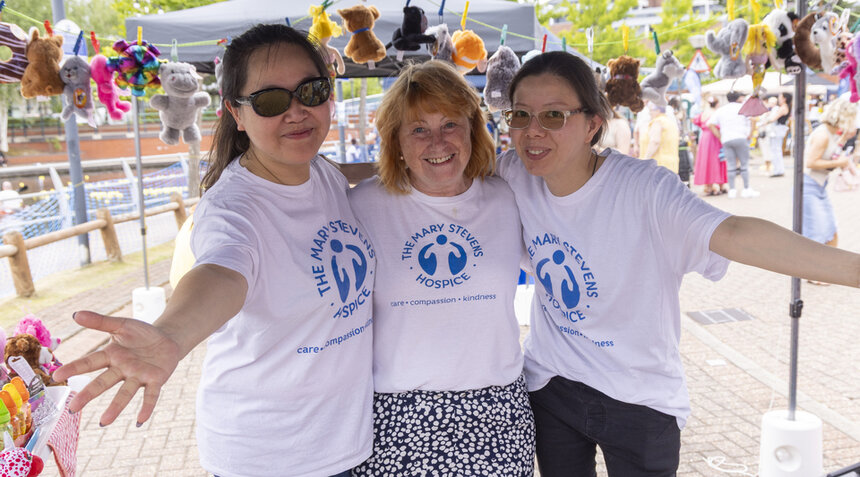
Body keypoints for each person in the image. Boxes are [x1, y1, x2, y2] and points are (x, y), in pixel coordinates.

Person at [496, 50, 860, 477]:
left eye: (554, 116)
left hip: (639, 395)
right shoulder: (512, 175)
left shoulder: (646, 190)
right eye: (520, 115)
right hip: (550, 382)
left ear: (593, 124)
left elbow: (734, 233)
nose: (532, 131)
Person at [54, 24, 376, 477]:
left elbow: (346, 172)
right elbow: (222, 272)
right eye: (270, 101)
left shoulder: (318, 170)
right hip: (270, 456)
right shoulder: (233, 211)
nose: (297, 112)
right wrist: (172, 334)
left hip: (345, 442)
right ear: (235, 113)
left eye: (312, 90)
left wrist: (411, 165)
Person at [348, 60, 535, 476]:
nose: (437, 142)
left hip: (497, 413)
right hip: (397, 417)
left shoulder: (507, 198)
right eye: (418, 129)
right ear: (396, 141)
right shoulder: (361, 207)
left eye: (450, 124)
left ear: (472, 129)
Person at [802, 97, 857, 279]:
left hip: (819, 187)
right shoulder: (823, 134)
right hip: (808, 186)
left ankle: (826, 271)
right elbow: (811, 162)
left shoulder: (832, 133)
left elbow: (831, 154)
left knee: (830, 229)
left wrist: (844, 140)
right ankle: (813, 273)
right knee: (817, 232)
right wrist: (839, 162)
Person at [708, 91, 758, 198]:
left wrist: (720, 136)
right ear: (738, 98)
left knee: (730, 165)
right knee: (744, 164)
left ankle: (732, 190)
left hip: (726, 139)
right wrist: (750, 134)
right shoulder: (742, 107)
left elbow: (710, 124)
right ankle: (746, 189)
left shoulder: (721, 110)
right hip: (741, 137)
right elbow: (753, 119)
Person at [693, 96, 727, 196]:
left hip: (704, 138)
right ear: (717, 104)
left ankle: (708, 186)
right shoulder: (716, 113)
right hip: (714, 137)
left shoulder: (704, 113)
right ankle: (720, 185)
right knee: (717, 159)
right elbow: (717, 126)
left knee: (706, 160)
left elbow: (697, 122)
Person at [642, 101, 680, 174]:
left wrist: (646, 159)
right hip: (671, 164)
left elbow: (655, 141)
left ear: (658, 110)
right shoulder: (670, 122)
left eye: (651, 110)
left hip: (659, 164)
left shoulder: (658, 122)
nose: (650, 113)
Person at [762, 92, 792, 177]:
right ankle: (778, 170)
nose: (779, 99)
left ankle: (778, 170)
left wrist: (764, 122)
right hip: (778, 130)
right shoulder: (784, 107)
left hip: (777, 131)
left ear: (784, 98)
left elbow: (773, 118)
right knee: (776, 151)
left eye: (780, 97)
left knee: (776, 151)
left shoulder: (783, 108)